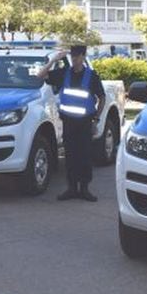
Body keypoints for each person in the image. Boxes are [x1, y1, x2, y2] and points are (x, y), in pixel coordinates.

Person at [37, 45, 105, 201]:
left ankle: (85, 189)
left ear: (83, 57)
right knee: (71, 156)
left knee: (85, 156)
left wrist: (96, 120)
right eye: (72, 56)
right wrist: (53, 60)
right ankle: (72, 188)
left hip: (86, 123)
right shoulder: (63, 74)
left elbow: (102, 97)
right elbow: (40, 76)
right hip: (69, 123)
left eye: (77, 56)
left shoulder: (91, 76)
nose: (74, 59)